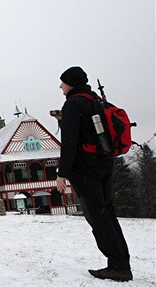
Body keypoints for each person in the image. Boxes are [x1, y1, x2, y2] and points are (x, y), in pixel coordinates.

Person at [55, 66, 132, 282]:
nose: (60, 85)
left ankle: (118, 265)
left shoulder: (73, 103)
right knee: (107, 212)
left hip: (85, 168)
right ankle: (121, 260)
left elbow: (70, 141)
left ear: (71, 82)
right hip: (104, 163)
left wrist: (63, 173)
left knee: (97, 216)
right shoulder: (94, 99)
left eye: (63, 81)